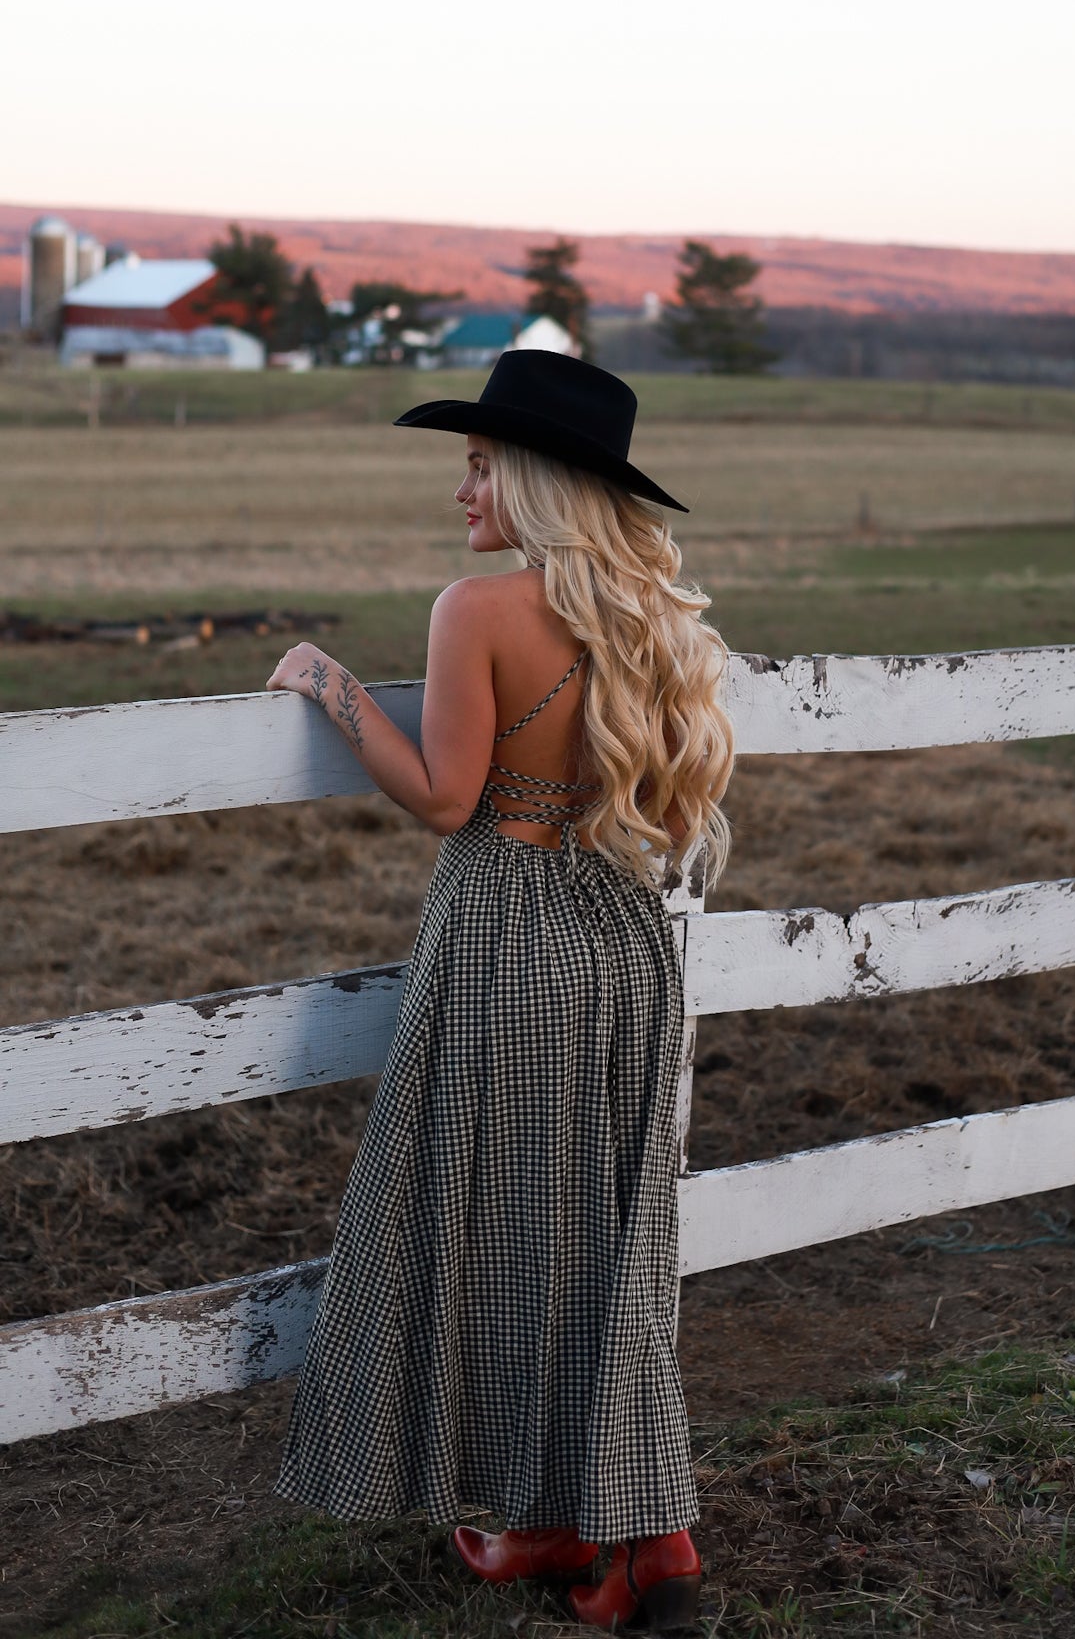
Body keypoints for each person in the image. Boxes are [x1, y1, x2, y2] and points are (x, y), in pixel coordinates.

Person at [267, 350, 734, 1633]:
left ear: (534, 480)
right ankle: (589, 1522)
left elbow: (445, 798)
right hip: (624, 944)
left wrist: (326, 680)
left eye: (480, 465)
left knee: (497, 1228)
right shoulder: (656, 617)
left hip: (510, 937)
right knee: (610, 1236)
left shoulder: (475, 609)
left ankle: (638, 1532)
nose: (463, 489)